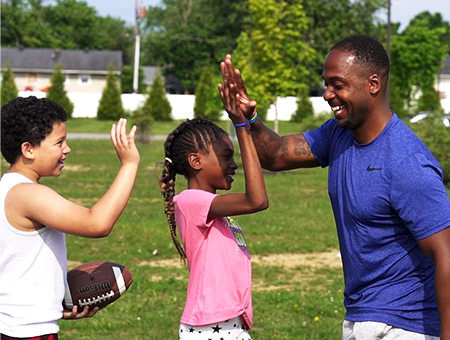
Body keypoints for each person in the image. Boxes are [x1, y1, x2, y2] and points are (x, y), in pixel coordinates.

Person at [219, 35, 450, 340]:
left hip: (403, 326)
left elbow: (446, 254)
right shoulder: (338, 135)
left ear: (373, 84)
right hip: (360, 317)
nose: (327, 95)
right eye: (326, 84)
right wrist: (249, 118)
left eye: (337, 85)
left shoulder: (406, 162)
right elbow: (274, 154)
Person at [0, 96, 140, 339]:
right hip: (26, 332)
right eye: (59, 142)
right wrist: (129, 164)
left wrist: (50, 304)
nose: (67, 149)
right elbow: (97, 223)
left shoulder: (7, 188)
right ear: (28, 149)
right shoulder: (28, 194)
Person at [159, 84, 268, 339]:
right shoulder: (190, 201)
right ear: (195, 161)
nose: (234, 164)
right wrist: (242, 128)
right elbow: (257, 200)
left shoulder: (213, 208)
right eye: (226, 156)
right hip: (209, 327)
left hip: (228, 323)